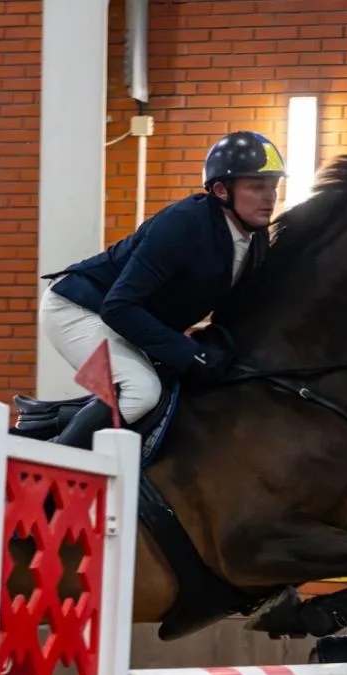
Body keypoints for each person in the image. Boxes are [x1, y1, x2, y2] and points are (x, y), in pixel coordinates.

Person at [37, 130, 287, 448]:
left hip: (122, 317)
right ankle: (55, 463)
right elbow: (119, 307)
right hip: (77, 309)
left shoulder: (256, 239)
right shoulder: (184, 223)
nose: (270, 198)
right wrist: (190, 354)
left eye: (273, 187)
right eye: (257, 187)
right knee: (141, 391)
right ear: (221, 190)